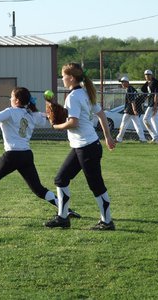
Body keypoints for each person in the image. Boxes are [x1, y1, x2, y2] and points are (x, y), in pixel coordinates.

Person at [0, 87, 80, 219]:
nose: (10, 99)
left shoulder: (10, 112)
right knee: (38, 189)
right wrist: (52, 106)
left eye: (12, 97)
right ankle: (66, 209)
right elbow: (48, 117)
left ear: (17, 100)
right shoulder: (31, 114)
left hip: (12, 155)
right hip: (26, 155)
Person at [44, 63, 116, 231]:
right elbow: (101, 114)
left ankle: (107, 221)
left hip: (87, 147)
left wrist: (56, 126)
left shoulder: (74, 96)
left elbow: (73, 122)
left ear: (71, 78)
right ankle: (63, 218)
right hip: (82, 146)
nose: (62, 79)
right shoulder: (84, 92)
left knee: (96, 185)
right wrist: (107, 137)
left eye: (63, 76)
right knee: (61, 179)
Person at [116, 76, 146, 143]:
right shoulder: (132, 88)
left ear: (127, 82)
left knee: (123, 124)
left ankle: (119, 139)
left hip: (129, 110)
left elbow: (132, 101)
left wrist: (134, 110)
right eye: (122, 82)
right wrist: (135, 110)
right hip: (133, 109)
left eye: (123, 82)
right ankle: (143, 139)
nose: (122, 84)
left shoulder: (129, 89)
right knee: (137, 124)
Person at [141, 69, 158, 142]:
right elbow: (147, 92)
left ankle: (155, 136)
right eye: (146, 75)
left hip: (154, 103)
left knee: (145, 119)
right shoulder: (148, 83)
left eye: (148, 74)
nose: (147, 76)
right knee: (153, 119)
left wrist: (155, 105)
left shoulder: (154, 82)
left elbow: (156, 94)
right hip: (151, 103)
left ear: (151, 75)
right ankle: (157, 137)